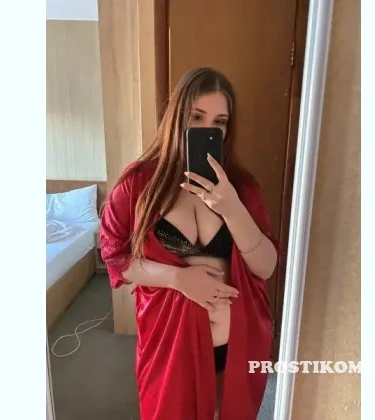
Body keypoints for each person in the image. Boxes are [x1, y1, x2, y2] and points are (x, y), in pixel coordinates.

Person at [100, 67, 279, 420]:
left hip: (238, 345)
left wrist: (232, 208)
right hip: (169, 346)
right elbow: (114, 255)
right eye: (197, 117)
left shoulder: (241, 188)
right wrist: (177, 278)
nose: (208, 129)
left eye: (219, 121)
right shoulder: (138, 184)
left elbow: (266, 266)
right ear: (176, 115)